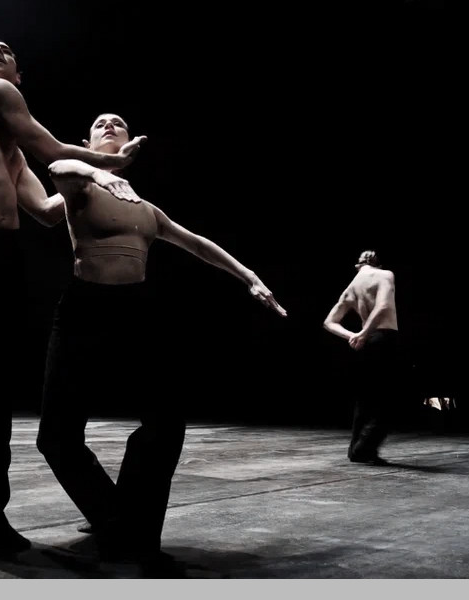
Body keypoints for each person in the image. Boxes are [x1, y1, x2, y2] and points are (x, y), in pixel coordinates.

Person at [0, 38, 147, 557]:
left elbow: (46, 212)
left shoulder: (11, 151)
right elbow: (54, 149)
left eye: (6, 51)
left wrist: (91, 184)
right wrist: (108, 160)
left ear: (20, 75)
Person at [34, 113, 288, 564]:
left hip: (134, 311)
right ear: (86, 142)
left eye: (118, 123)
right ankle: (113, 518)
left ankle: (132, 529)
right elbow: (57, 167)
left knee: (165, 425)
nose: (109, 125)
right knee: (56, 436)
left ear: (131, 140)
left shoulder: (146, 209)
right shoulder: (80, 186)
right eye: (100, 123)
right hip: (83, 309)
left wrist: (249, 276)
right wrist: (99, 170)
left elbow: (198, 243)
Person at [322, 250, 408, 464]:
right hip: (384, 338)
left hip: (366, 343)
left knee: (366, 398)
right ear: (377, 264)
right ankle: (364, 448)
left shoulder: (352, 287)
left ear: (358, 266)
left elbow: (329, 322)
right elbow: (383, 306)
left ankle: (355, 450)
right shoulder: (385, 275)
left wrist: (354, 336)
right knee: (391, 398)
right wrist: (363, 333)